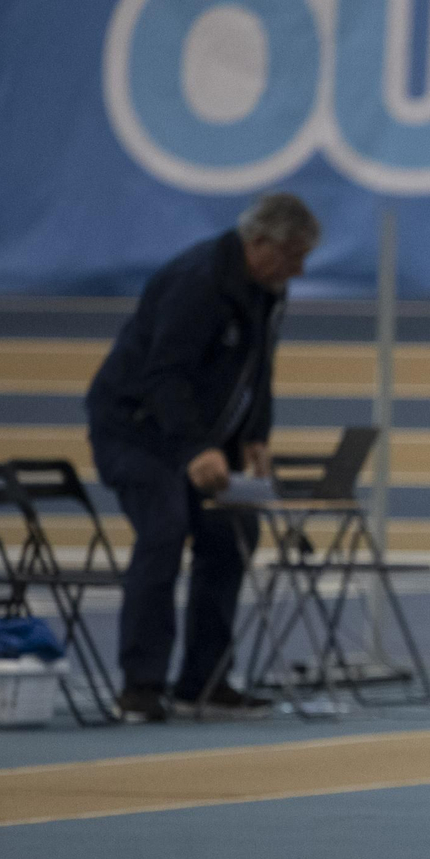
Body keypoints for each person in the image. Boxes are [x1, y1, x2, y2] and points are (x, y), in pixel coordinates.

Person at [86, 193, 319, 722]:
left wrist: (254, 434)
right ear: (259, 243)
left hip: (200, 439)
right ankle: (141, 686)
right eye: (293, 256)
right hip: (136, 432)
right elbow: (164, 375)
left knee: (233, 533)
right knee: (165, 529)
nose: (300, 270)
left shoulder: (268, 290)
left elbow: (258, 368)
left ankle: (206, 680)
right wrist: (197, 449)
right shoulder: (196, 282)